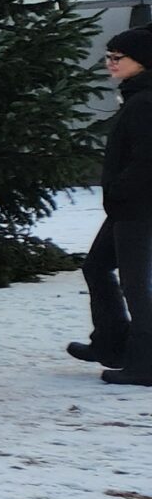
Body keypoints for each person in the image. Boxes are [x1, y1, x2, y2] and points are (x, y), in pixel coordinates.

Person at [76, 27, 152, 384]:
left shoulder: (145, 101)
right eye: (108, 56)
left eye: (117, 57)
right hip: (127, 206)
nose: (110, 63)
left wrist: (120, 192)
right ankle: (112, 342)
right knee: (97, 266)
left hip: (139, 207)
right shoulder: (136, 96)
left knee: (138, 285)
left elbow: (146, 160)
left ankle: (145, 363)